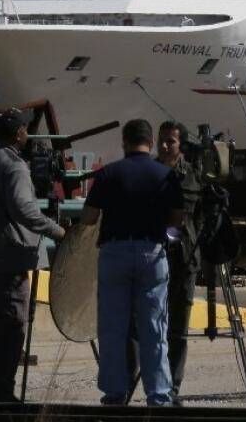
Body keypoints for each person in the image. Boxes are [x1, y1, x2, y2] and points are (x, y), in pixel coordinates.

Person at [0, 109, 65, 405]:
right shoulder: (14, 167)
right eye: (24, 129)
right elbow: (24, 211)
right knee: (9, 328)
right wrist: (59, 232)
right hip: (7, 260)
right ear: (19, 133)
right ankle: (1, 393)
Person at [81, 119, 183, 406]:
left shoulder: (108, 174)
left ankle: (115, 393)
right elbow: (177, 221)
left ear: (124, 142)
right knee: (154, 327)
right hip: (152, 252)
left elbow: (89, 218)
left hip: (114, 253)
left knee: (113, 328)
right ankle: (159, 394)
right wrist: (168, 240)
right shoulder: (165, 175)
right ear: (150, 142)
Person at [156, 120, 202, 401]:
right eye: (161, 140)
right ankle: (149, 385)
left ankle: (172, 387)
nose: (164, 146)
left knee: (178, 330)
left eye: (170, 141)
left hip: (184, 258)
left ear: (180, 145)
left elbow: (197, 219)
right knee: (149, 326)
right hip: (153, 256)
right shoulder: (149, 173)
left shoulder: (194, 175)